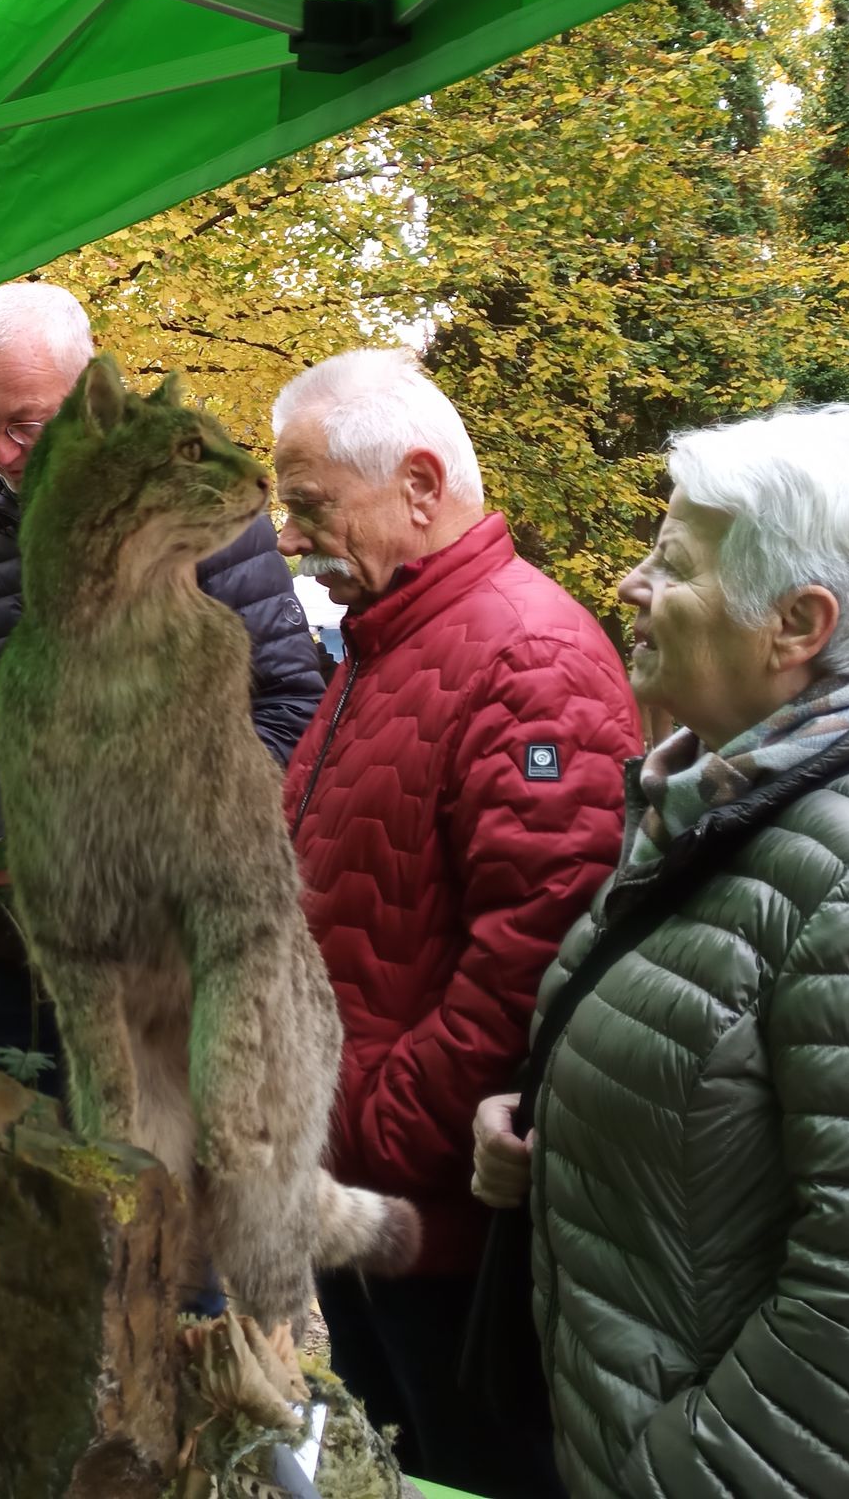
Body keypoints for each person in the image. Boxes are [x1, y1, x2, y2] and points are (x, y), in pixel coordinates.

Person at [473, 406, 849, 1499]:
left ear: (796, 623)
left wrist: (670, 1478)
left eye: (673, 564)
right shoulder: (724, 808)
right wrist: (552, 1143)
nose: (631, 587)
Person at [272, 347, 635, 1498]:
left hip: (439, 1227)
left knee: (468, 1468)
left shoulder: (526, 657)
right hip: (363, 1194)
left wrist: (370, 1128)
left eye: (310, 508)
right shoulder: (385, 643)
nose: (290, 540)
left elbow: (538, 955)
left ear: (420, 487)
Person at [0, 281, 323, 1088]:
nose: (2, 452)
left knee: (148, 1208)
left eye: (27, 425)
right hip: (0, 965)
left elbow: (291, 706)